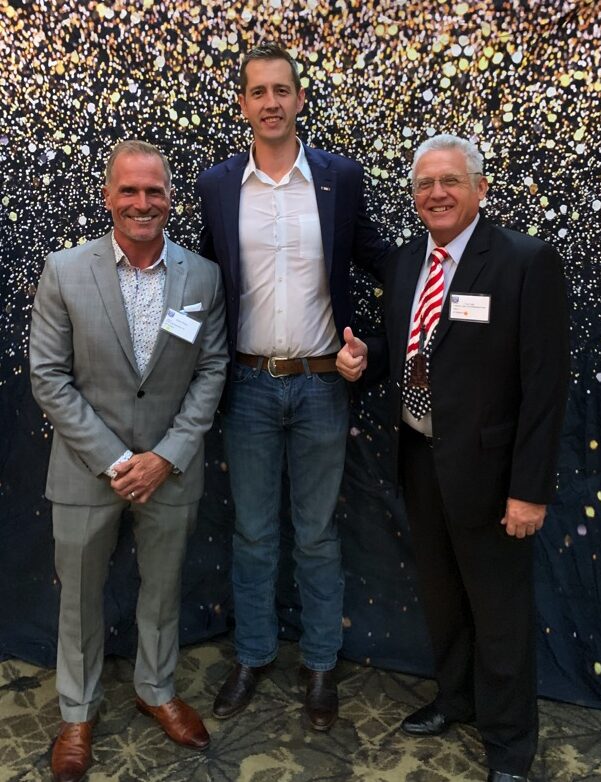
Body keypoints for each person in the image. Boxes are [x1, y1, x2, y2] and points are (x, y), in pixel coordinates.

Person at [336, 134, 569, 781]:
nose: (436, 194)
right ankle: (457, 700)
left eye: (450, 182)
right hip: (418, 460)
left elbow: (546, 388)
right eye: (424, 185)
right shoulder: (408, 261)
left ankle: (510, 748)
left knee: (499, 613)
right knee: (442, 597)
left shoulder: (526, 262)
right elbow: (399, 350)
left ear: (480, 189)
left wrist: (530, 490)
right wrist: (363, 363)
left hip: (494, 477)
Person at [196, 42, 388, 731]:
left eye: (283, 89)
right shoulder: (218, 186)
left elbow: (377, 262)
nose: (271, 102)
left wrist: (379, 344)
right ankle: (251, 656)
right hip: (246, 385)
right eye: (258, 91)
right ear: (243, 103)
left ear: (301, 99)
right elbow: (204, 280)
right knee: (251, 533)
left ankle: (319, 666)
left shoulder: (340, 178)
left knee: (316, 536)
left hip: (320, 386)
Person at [29, 140, 229, 782]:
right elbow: (49, 377)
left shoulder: (202, 276)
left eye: (155, 191)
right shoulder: (64, 271)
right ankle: (78, 713)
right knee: (81, 600)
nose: (142, 203)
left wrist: (165, 457)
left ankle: (156, 690)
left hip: (171, 471)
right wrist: (119, 460)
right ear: (109, 195)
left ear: (171, 198)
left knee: (164, 591)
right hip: (87, 471)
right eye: (129, 190)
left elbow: (212, 370)